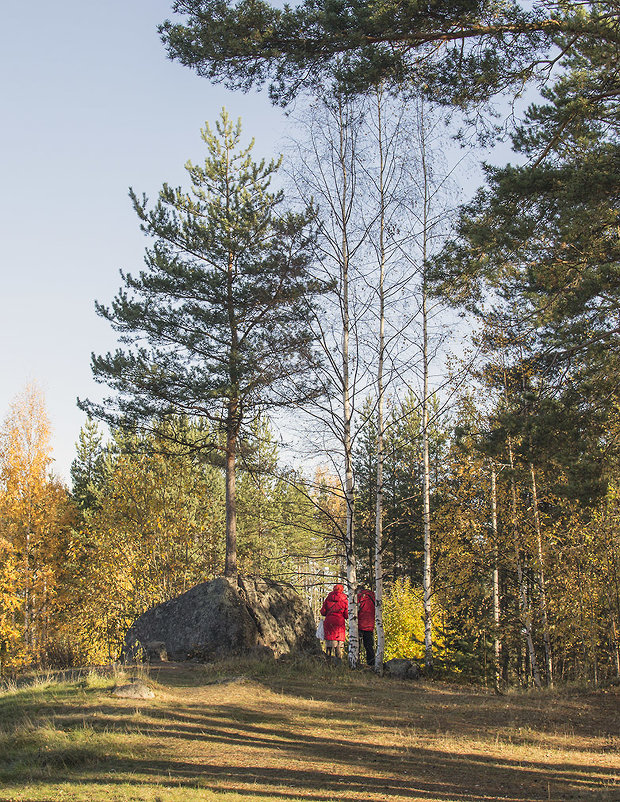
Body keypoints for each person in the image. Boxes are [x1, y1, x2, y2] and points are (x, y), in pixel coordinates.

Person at [320, 583, 348, 660]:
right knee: (338, 645)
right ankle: (339, 664)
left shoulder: (328, 598)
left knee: (329, 644)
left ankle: (328, 662)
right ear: (342, 590)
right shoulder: (344, 599)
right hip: (339, 624)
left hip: (329, 622)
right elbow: (347, 615)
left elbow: (323, 612)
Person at [357, 585, 376, 666]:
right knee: (369, 646)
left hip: (360, 624)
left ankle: (355, 662)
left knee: (357, 645)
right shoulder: (373, 597)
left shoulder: (360, 597)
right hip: (370, 624)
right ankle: (371, 663)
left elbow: (355, 609)